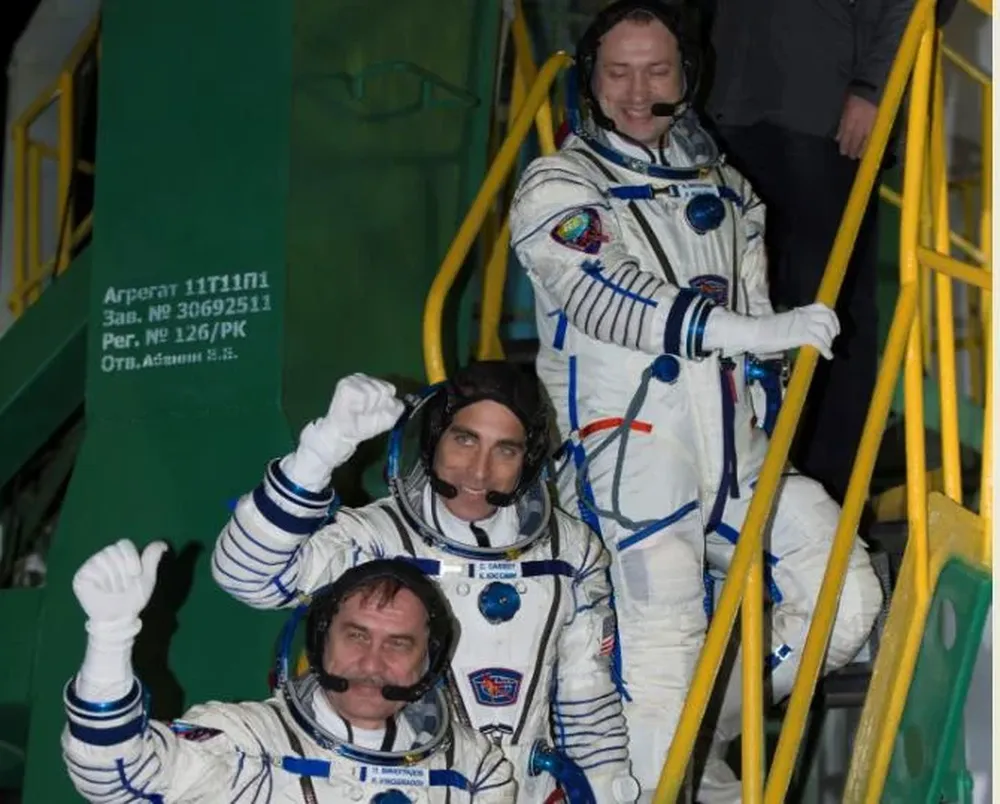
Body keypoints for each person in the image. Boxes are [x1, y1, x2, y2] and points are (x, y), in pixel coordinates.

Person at [507, 1, 885, 800]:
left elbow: (756, 313)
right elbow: (604, 296)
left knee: (848, 599)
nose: (637, 92)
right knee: (664, 651)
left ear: (689, 76)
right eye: (618, 72)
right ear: (590, 80)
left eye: (657, 71)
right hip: (630, 449)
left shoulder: (726, 187)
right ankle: (663, 777)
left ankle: (704, 736)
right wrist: (751, 332)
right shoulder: (559, 183)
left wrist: (765, 366)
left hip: (735, 450)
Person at [212, 361, 640, 803]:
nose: (479, 472)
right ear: (435, 438)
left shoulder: (569, 551)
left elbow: (587, 699)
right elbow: (248, 577)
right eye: (465, 440)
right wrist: (319, 453)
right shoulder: (377, 539)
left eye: (506, 450)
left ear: (528, 459)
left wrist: (607, 790)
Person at [62, 544, 516, 803]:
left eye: (399, 644)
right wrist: (109, 639)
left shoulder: (472, 769)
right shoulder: (252, 746)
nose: (372, 664)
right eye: (356, 636)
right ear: (320, 641)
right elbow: (119, 778)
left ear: (428, 660)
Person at [706, 0, 915, 503]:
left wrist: (875, 88)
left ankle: (829, 490)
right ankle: (740, 479)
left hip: (825, 110)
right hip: (732, 98)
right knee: (733, 298)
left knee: (829, 305)